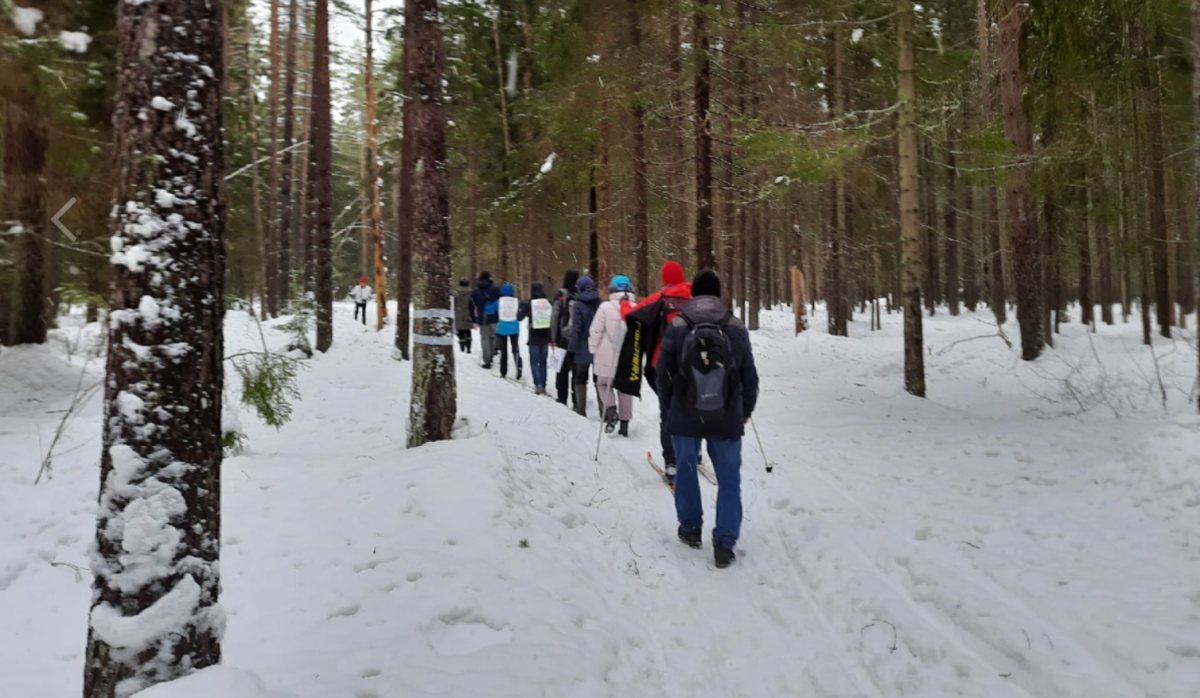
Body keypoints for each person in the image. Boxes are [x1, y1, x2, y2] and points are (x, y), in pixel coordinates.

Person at [656, 270, 758, 569]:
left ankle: (690, 529)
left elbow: (663, 373)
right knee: (729, 480)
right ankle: (724, 544)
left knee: (686, 470)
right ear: (718, 293)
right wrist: (745, 410)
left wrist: (669, 408)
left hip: (685, 415)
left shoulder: (677, 325)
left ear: (693, 295)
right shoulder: (735, 326)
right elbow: (749, 374)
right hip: (727, 416)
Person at [628, 260, 692, 482]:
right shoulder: (696, 296)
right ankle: (694, 453)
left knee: (668, 413)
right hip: (692, 365)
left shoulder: (660, 297)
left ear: (665, 278)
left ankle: (672, 463)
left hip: (662, 364)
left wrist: (622, 304)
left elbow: (633, 314)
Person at [589, 275, 636, 436]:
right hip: (628, 357)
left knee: (602, 384)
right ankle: (624, 425)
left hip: (606, 356)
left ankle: (611, 411)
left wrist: (593, 349)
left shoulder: (605, 307)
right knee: (625, 390)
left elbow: (596, 331)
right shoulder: (637, 308)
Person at [566, 275, 602, 417]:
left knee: (580, 378)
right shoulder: (600, 302)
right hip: (599, 348)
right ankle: (603, 411)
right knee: (599, 380)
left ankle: (581, 410)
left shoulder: (578, 304)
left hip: (582, 348)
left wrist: (571, 349)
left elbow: (576, 329)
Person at [549, 270, 580, 406]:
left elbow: (555, 317)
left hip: (562, 338)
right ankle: (576, 399)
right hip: (576, 339)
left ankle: (562, 397)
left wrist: (553, 338)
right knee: (576, 370)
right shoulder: (580, 294)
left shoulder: (561, 295)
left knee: (561, 369)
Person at [520, 282, 554, 395]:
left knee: (534, 362)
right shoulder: (547, 303)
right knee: (543, 361)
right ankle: (543, 384)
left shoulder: (530, 303)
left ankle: (538, 384)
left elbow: (519, 317)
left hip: (534, 336)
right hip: (545, 336)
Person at [470, 271, 501, 369]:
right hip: (494, 317)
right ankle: (491, 354)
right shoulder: (496, 289)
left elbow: (471, 305)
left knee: (484, 339)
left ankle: (487, 359)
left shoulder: (475, 291)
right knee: (493, 336)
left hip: (482, 317)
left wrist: (473, 318)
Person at [496, 282, 522, 380]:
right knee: (515, 349)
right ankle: (519, 368)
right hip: (514, 328)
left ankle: (503, 372)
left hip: (502, 329)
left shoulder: (499, 301)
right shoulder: (516, 301)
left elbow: (490, 310)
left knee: (503, 351)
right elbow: (520, 312)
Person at [453, 278, 473, 353]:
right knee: (468, 330)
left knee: (461, 330)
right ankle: (468, 347)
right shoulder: (471, 293)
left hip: (459, 313)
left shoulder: (455, 293)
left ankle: (462, 345)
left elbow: (454, 303)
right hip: (468, 312)